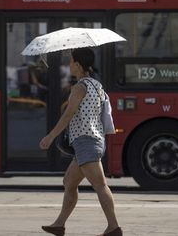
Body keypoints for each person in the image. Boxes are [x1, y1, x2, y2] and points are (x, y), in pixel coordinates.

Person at [39, 48, 122, 236]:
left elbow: (68, 114)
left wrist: (50, 137)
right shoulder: (96, 85)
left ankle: (114, 227)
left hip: (87, 142)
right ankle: (59, 224)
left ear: (77, 65)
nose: (69, 65)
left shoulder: (79, 88)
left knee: (100, 185)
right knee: (69, 181)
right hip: (91, 141)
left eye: (70, 62)